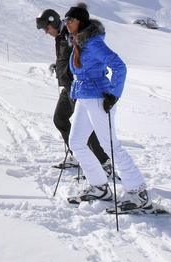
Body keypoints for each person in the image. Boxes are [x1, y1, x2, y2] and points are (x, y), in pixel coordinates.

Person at [62, 2, 150, 211]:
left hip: (98, 98)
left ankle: (138, 191)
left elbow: (119, 65)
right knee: (76, 142)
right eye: (65, 20)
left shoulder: (92, 43)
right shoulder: (77, 42)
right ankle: (100, 186)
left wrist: (114, 94)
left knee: (110, 145)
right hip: (84, 98)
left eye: (70, 20)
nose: (66, 24)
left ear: (80, 22)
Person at [35, 9, 113, 176]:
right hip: (68, 86)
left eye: (46, 28)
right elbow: (68, 58)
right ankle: (77, 155)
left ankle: (103, 162)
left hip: (78, 87)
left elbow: (81, 56)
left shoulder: (70, 35)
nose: (46, 32)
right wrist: (59, 67)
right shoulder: (61, 36)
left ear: (53, 22)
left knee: (85, 126)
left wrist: (73, 74)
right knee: (60, 118)